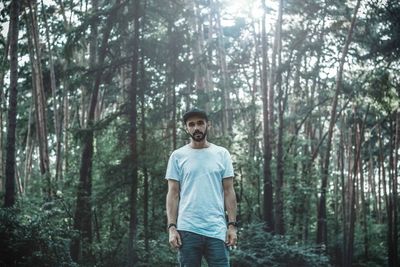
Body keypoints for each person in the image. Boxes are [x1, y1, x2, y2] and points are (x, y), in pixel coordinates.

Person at [165, 108, 238, 267]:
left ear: (208, 125)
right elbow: (173, 193)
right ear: (186, 128)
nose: (196, 127)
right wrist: (172, 227)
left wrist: (232, 225)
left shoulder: (222, 153)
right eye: (191, 124)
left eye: (200, 123)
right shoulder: (177, 156)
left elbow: (229, 191)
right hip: (188, 230)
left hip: (217, 230)